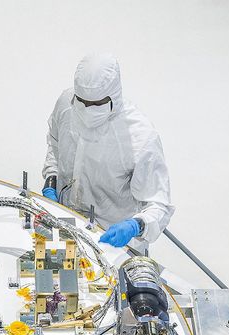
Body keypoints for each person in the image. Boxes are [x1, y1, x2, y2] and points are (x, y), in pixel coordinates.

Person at [41, 53, 173, 249]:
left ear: (114, 95)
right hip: (65, 225)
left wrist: (134, 226)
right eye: (82, 101)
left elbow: (158, 205)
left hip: (112, 241)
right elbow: (55, 143)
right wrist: (51, 179)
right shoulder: (65, 104)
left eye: (96, 104)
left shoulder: (140, 137)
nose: (87, 109)